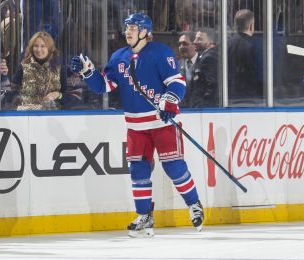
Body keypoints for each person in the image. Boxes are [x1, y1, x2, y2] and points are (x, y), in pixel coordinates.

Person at [70, 12, 204, 237]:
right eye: (126, 27)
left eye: (132, 27)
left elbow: (176, 82)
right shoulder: (118, 57)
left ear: (144, 31)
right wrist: (88, 71)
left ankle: (194, 205)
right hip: (136, 126)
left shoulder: (160, 52)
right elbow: (103, 86)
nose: (127, 31)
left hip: (162, 123)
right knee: (138, 171)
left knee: (174, 167)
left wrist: (169, 101)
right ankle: (145, 216)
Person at [14, 30, 62, 110]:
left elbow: (67, 94)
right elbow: (13, 92)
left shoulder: (58, 68)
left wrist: (58, 94)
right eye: (36, 46)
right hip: (27, 116)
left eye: (43, 46)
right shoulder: (23, 67)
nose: (39, 50)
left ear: (49, 48)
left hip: (52, 116)